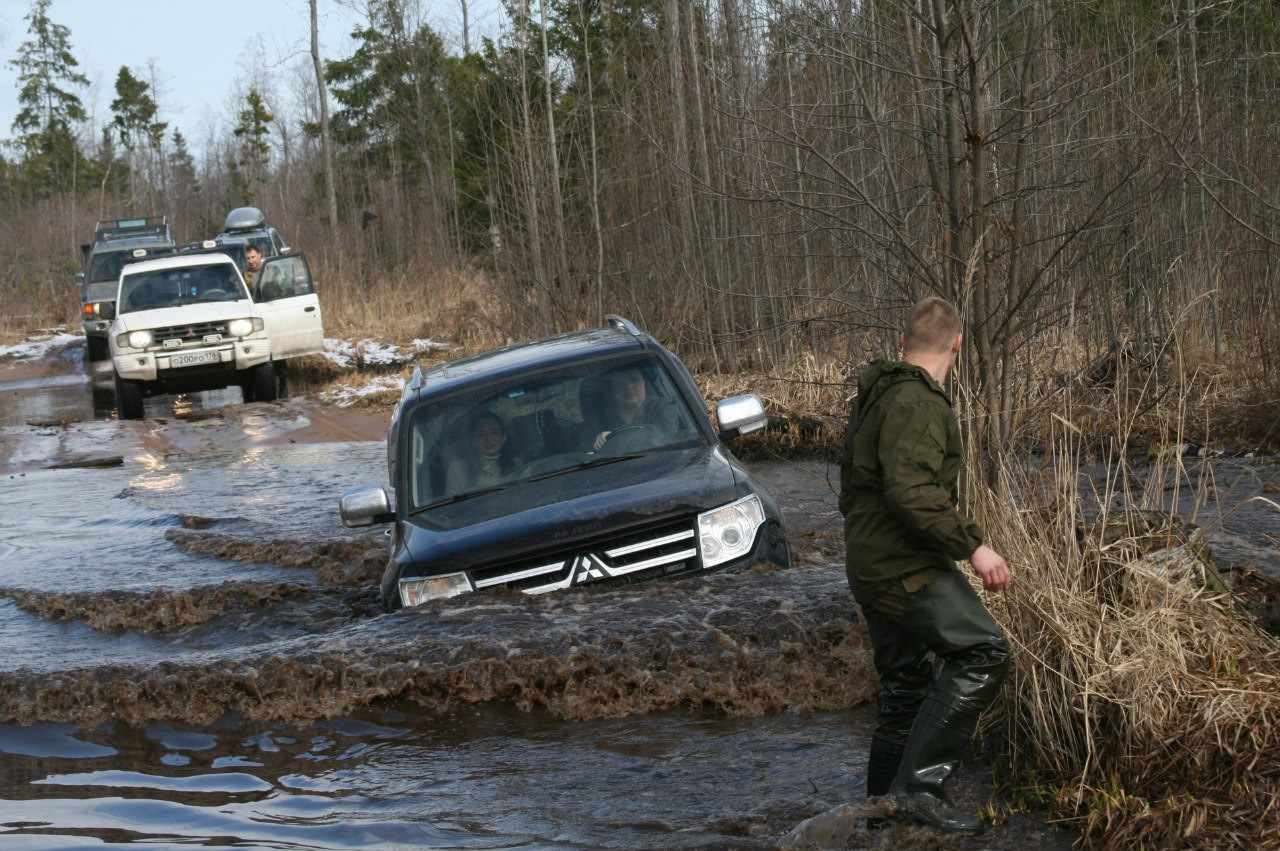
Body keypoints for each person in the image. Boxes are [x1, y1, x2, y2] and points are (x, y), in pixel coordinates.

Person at [838, 296, 1012, 835]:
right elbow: (910, 490)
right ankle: (919, 791)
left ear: (903, 340)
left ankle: (879, 819)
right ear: (958, 344)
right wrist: (974, 547)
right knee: (985, 652)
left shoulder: (881, 394)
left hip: (871, 561)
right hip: (902, 565)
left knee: (906, 690)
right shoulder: (917, 402)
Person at [589, 365, 683, 450]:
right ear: (613, 388)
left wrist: (614, 438)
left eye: (634, 380)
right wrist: (599, 443)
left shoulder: (664, 408)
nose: (628, 387)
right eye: (620, 382)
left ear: (644, 382)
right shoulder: (601, 419)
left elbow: (663, 437)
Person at [445, 413, 521, 492]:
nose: (489, 439)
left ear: (504, 437)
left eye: (494, 433)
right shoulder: (457, 468)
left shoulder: (515, 464)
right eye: (481, 434)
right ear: (474, 441)